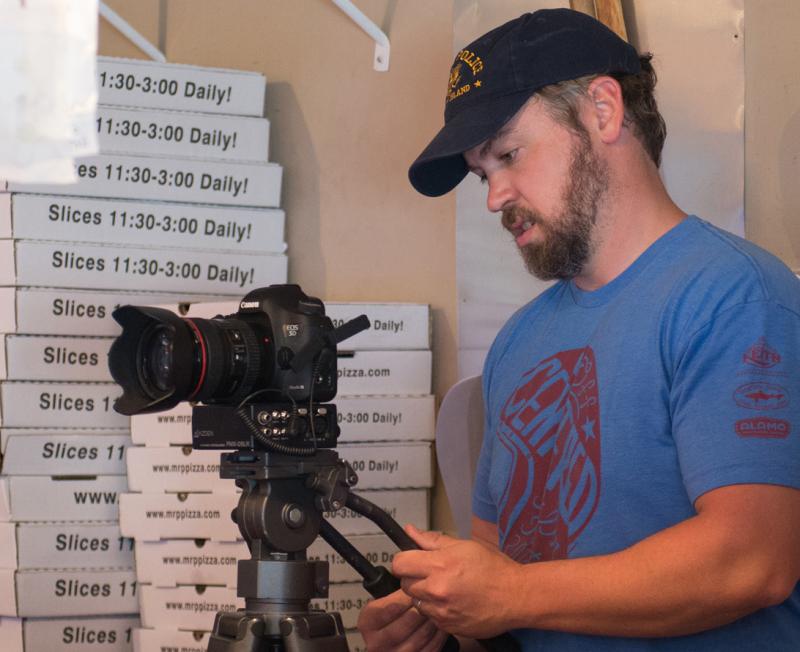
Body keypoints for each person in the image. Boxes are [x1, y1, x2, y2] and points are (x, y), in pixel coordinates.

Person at [357, 8, 800, 651]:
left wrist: (509, 594)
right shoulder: (517, 342)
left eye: (509, 155)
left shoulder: (732, 296)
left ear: (603, 109)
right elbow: (498, 588)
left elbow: (752, 560)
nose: (494, 197)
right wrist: (442, 625)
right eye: (483, 174)